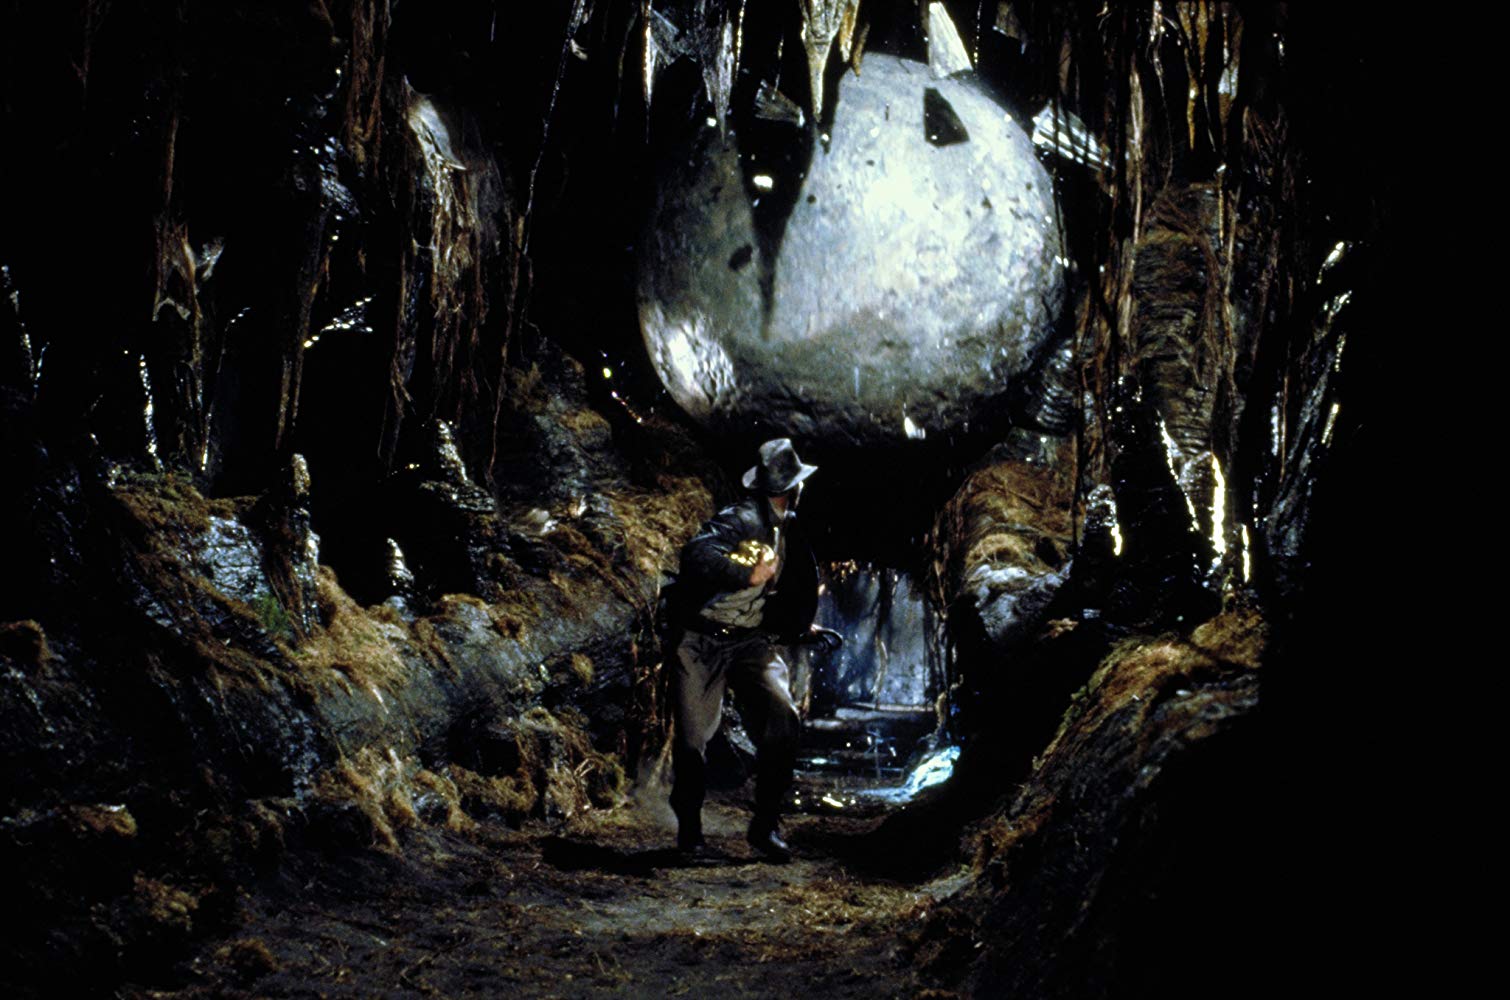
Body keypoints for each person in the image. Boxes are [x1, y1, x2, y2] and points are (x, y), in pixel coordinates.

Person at [667, 438, 840, 861]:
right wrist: (745, 573)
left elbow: (781, 596)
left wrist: (801, 628)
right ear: (794, 486)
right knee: (692, 741)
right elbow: (696, 555)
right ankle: (690, 835)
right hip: (701, 641)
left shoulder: (789, 528)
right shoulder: (741, 517)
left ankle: (765, 828)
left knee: (782, 718)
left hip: (748, 642)